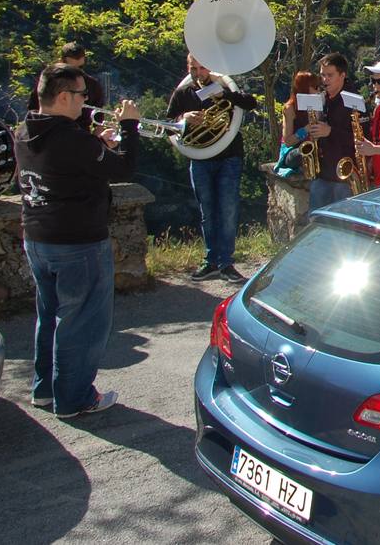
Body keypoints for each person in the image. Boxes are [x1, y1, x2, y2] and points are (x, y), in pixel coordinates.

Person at [16, 64, 141, 418]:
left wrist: (94, 144)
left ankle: (45, 390)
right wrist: (130, 126)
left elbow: (68, 165)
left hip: (38, 238)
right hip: (78, 243)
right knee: (83, 322)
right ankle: (74, 399)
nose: (86, 103)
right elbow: (124, 169)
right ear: (63, 97)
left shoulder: (24, 129)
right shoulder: (72, 139)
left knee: (50, 316)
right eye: (82, 96)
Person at [168, 53, 258, 283]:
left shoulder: (222, 86)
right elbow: (168, 126)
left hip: (229, 157)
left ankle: (226, 263)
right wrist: (184, 118)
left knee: (228, 211)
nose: (199, 74)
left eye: (203, 68)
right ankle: (211, 261)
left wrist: (225, 94)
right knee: (207, 213)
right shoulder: (182, 93)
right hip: (200, 159)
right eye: (193, 68)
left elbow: (251, 103)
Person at [305, 53, 358, 210]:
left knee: (345, 228)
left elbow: (362, 139)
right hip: (323, 173)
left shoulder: (353, 100)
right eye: (322, 75)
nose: (324, 79)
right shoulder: (324, 97)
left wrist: (330, 132)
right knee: (317, 225)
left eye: (330, 75)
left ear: (342, 75)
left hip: (345, 177)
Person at [27, 42, 106, 127]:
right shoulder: (49, 81)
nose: (76, 72)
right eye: (71, 68)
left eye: (80, 67)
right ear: (61, 61)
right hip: (50, 133)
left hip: (80, 136)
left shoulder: (93, 85)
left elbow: (98, 120)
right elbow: (33, 110)